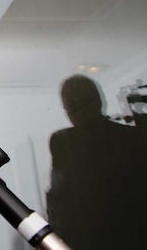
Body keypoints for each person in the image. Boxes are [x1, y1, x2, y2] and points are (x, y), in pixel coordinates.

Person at [46, 74, 146, 249]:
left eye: (72, 106)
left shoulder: (63, 142)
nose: (73, 112)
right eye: (71, 106)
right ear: (100, 101)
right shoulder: (132, 137)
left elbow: (59, 200)